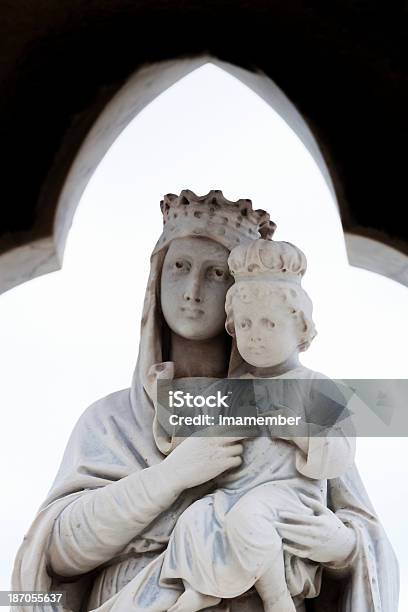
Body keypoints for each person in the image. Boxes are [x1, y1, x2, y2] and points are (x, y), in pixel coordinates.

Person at [12, 190, 399, 611]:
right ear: (156, 279)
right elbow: (53, 554)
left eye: (215, 273)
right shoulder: (111, 418)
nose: (193, 290)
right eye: (179, 267)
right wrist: (171, 477)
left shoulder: (297, 397)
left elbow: (361, 532)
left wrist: (341, 546)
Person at [158, 239, 356, 612]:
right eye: (245, 324)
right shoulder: (236, 390)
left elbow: (340, 452)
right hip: (231, 494)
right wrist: (172, 417)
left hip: (288, 496)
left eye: (269, 322)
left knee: (253, 516)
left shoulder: (315, 385)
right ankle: (203, 589)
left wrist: (298, 431)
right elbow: (197, 436)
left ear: (301, 329)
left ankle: (276, 596)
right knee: (194, 518)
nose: (256, 334)